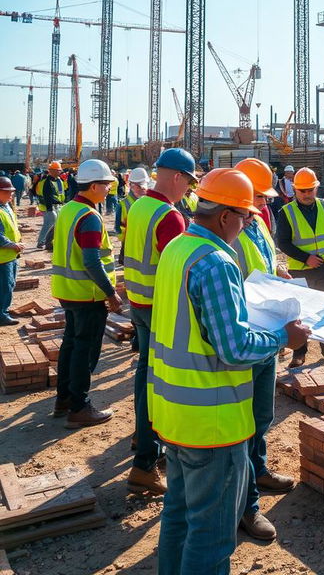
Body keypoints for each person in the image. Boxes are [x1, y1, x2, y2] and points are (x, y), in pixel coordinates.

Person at [150, 168, 310, 575]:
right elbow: (235, 348)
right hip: (213, 421)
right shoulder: (216, 262)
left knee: (180, 517)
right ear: (224, 216)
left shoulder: (178, 248)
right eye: (244, 216)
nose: (247, 223)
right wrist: (282, 339)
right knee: (212, 533)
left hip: (174, 411)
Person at [124, 147, 195, 495]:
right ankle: (146, 464)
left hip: (138, 301)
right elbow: (176, 270)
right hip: (158, 307)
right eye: (189, 183)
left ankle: (142, 433)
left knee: (144, 371)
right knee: (160, 382)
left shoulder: (138, 205)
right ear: (178, 177)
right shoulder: (169, 216)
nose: (188, 191)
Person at [233, 158, 294, 542]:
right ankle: (246, 505)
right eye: (256, 196)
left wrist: (280, 273)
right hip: (246, 337)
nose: (262, 203)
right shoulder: (229, 233)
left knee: (262, 415)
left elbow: (264, 265)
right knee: (243, 423)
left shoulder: (256, 223)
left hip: (267, 332)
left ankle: (260, 471)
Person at [51, 159, 122, 427]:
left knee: (71, 344)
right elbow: (92, 261)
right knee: (85, 350)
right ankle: (79, 406)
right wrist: (111, 292)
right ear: (93, 186)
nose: (108, 190)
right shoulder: (89, 217)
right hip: (87, 294)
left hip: (67, 292)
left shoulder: (69, 209)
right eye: (106, 185)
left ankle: (64, 398)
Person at [275, 166, 324, 368]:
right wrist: (306, 258)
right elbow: (283, 242)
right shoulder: (286, 212)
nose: (306, 194)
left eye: (310, 190)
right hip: (299, 270)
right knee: (299, 314)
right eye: (302, 190)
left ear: (316, 188)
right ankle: (299, 353)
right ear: (295, 190)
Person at [0, 176, 24, 325]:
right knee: (5, 286)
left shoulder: (6, 207)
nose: (11, 194)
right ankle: (2, 314)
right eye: (8, 192)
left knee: (10, 284)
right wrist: (12, 245)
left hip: (12, 255)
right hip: (4, 257)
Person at [115, 166, 150, 264]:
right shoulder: (123, 204)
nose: (142, 189)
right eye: (139, 186)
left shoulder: (150, 202)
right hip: (129, 245)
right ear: (130, 185)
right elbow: (118, 228)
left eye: (144, 185)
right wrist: (128, 242)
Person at [36, 160, 65, 248]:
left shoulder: (58, 180)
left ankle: (49, 242)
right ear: (51, 171)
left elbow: (61, 193)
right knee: (48, 224)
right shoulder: (47, 182)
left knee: (55, 224)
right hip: (48, 207)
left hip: (57, 206)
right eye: (58, 170)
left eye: (59, 170)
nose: (59, 172)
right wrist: (50, 209)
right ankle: (41, 242)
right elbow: (47, 197)